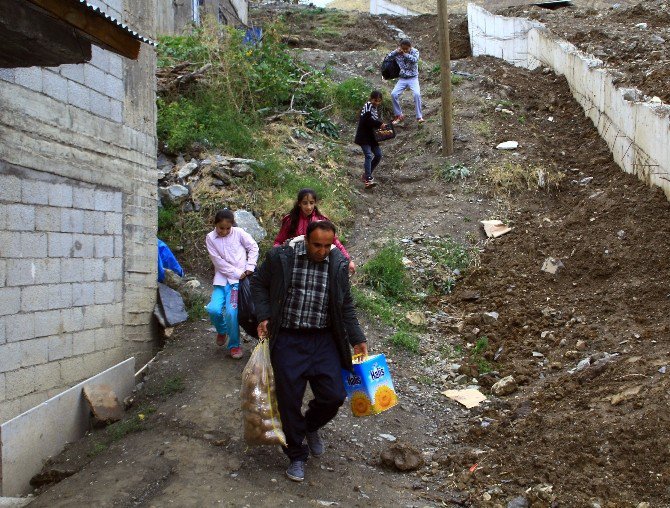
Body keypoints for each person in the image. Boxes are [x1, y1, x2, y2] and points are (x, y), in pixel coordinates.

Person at [251, 220, 369, 482]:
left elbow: (345, 303)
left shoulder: (337, 264)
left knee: (334, 396)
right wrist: (264, 315)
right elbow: (258, 282)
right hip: (289, 339)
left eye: (327, 246)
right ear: (306, 239)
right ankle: (296, 454)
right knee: (289, 400)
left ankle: (310, 426)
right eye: (317, 245)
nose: (322, 251)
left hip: (323, 339)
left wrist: (357, 337)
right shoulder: (282, 256)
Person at [205, 209, 259, 359]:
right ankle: (222, 330)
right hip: (221, 281)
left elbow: (253, 247)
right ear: (215, 225)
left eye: (227, 228)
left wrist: (250, 266)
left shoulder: (239, 233)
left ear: (232, 226)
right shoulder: (210, 238)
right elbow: (218, 261)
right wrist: (236, 272)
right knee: (214, 309)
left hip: (237, 283)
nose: (224, 231)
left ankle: (234, 345)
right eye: (221, 228)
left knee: (231, 312)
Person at [274, 188, 356, 274]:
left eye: (311, 203)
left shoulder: (322, 221)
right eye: (305, 203)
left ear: (315, 203)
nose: (309, 207)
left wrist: (348, 260)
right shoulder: (290, 220)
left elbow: (334, 241)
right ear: (299, 204)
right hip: (294, 263)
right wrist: (277, 256)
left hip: (318, 262)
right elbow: (279, 241)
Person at [354, 90, 388, 189]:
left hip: (372, 137)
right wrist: (379, 124)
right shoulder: (368, 106)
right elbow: (367, 120)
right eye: (375, 100)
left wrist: (381, 127)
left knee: (378, 155)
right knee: (368, 155)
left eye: (378, 101)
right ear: (371, 99)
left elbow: (374, 122)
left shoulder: (374, 109)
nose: (376, 102)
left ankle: (366, 175)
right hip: (364, 136)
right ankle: (368, 178)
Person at [388, 39, 423, 124]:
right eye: (402, 48)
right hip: (402, 78)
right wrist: (396, 52)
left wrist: (405, 54)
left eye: (406, 49)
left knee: (416, 94)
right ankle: (399, 115)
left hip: (413, 78)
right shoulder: (397, 52)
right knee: (394, 94)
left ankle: (419, 116)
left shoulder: (415, 51)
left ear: (410, 47)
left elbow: (415, 60)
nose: (404, 50)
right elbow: (388, 58)